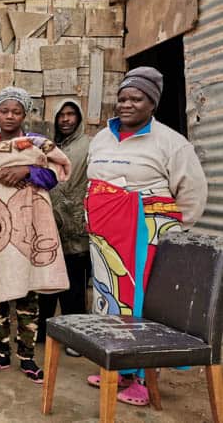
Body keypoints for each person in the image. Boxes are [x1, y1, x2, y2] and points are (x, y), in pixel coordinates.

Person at [84, 67, 207, 406]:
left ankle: (141, 378)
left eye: (136, 99)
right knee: (110, 299)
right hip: (107, 237)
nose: (127, 105)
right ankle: (117, 367)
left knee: (143, 305)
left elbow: (193, 194)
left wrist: (165, 231)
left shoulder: (171, 143)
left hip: (146, 236)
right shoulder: (102, 138)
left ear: (152, 103)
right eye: (122, 98)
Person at [0, 86, 71, 384]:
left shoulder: (37, 145)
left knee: (28, 294)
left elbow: (53, 175)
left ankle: (27, 356)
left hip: (26, 230)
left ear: (25, 114)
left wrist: (26, 170)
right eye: (5, 111)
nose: (10, 116)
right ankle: (0, 352)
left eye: (16, 111)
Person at [37, 99, 90, 357]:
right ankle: (43, 334)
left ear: (78, 119)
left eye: (71, 115)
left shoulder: (87, 146)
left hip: (76, 225)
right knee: (47, 283)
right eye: (62, 115)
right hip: (50, 224)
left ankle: (75, 338)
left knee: (74, 286)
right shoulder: (50, 147)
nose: (66, 119)